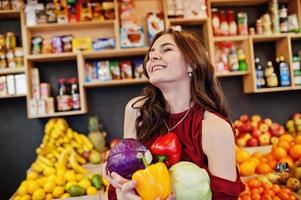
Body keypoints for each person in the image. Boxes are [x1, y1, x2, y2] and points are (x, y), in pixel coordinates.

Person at [103, 29, 245, 200]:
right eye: (151, 53)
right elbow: (127, 179)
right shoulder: (137, 111)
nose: (153, 57)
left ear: (192, 63)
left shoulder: (214, 127)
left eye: (166, 49)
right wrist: (121, 189)